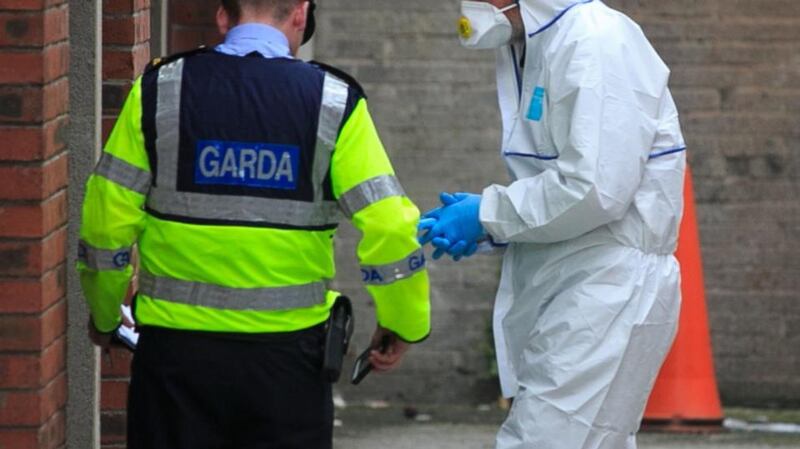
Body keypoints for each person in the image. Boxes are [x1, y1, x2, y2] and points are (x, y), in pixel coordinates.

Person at [77, 1, 430, 448]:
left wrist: (107, 315)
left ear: (223, 16)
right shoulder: (333, 101)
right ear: (300, 14)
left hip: (176, 359)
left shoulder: (158, 90)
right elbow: (391, 226)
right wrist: (402, 322)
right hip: (288, 364)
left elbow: (105, 223)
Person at [419, 0, 686, 448]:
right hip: (584, 282)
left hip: (607, 288)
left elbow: (596, 188)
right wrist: (489, 226)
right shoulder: (543, 40)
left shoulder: (593, 39)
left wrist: (489, 213)